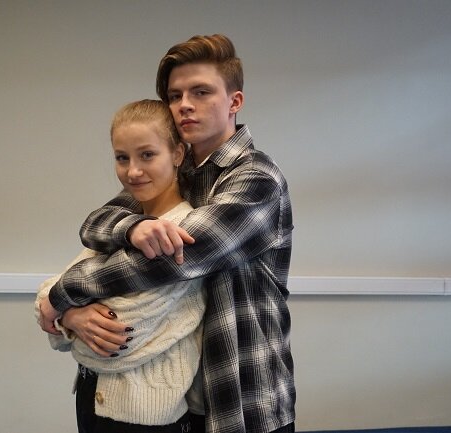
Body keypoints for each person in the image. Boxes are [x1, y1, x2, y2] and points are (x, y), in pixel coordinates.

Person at [39, 34, 295, 433]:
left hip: (242, 400)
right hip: (182, 400)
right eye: (175, 96)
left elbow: (165, 262)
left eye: (201, 92)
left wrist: (60, 295)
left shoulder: (255, 178)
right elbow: (95, 224)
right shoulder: (179, 174)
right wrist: (133, 226)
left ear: (234, 102)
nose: (185, 105)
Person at [35, 99, 206, 433]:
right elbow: (56, 289)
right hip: (89, 395)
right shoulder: (124, 223)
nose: (133, 171)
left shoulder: (183, 229)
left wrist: (63, 313)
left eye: (147, 155)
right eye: (122, 157)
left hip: (145, 413)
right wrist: (69, 316)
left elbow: (117, 338)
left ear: (177, 154)